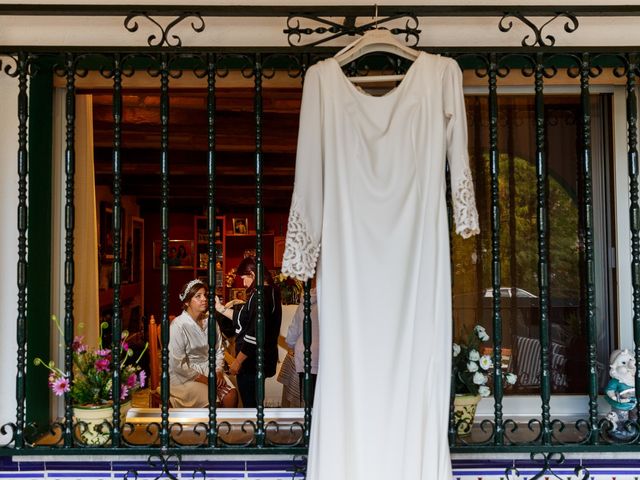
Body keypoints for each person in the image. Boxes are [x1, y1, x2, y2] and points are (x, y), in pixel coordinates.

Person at [215, 256, 282, 408]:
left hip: (252, 362)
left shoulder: (261, 296)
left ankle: (254, 431)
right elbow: (244, 318)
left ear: (253, 274)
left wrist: (237, 362)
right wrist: (220, 308)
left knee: (251, 406)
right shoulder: (266, 292)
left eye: (244, 278)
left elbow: (254, 334)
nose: (244, 283)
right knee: (254, 403)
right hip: (257, 360)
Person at [169, 279, 238, 408]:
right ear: (187, 302)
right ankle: (205, 427)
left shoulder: (211, 321)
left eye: (205, 295)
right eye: (198, 296)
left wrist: (218, 371)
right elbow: (177, 364)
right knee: (211, 398)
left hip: (209, 368)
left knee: (231, 395)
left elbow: (218, 350)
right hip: (184, 375)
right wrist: (206, 380)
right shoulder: (178, 326)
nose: (204, 299)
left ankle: (223, 428)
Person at [285, 283, 319, 406]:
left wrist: (290, 345)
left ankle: (308, 421)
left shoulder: (305, 301)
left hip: (305, 355)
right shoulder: (335, 300)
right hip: (325, 356)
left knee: (307, 398)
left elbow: (293, 331)